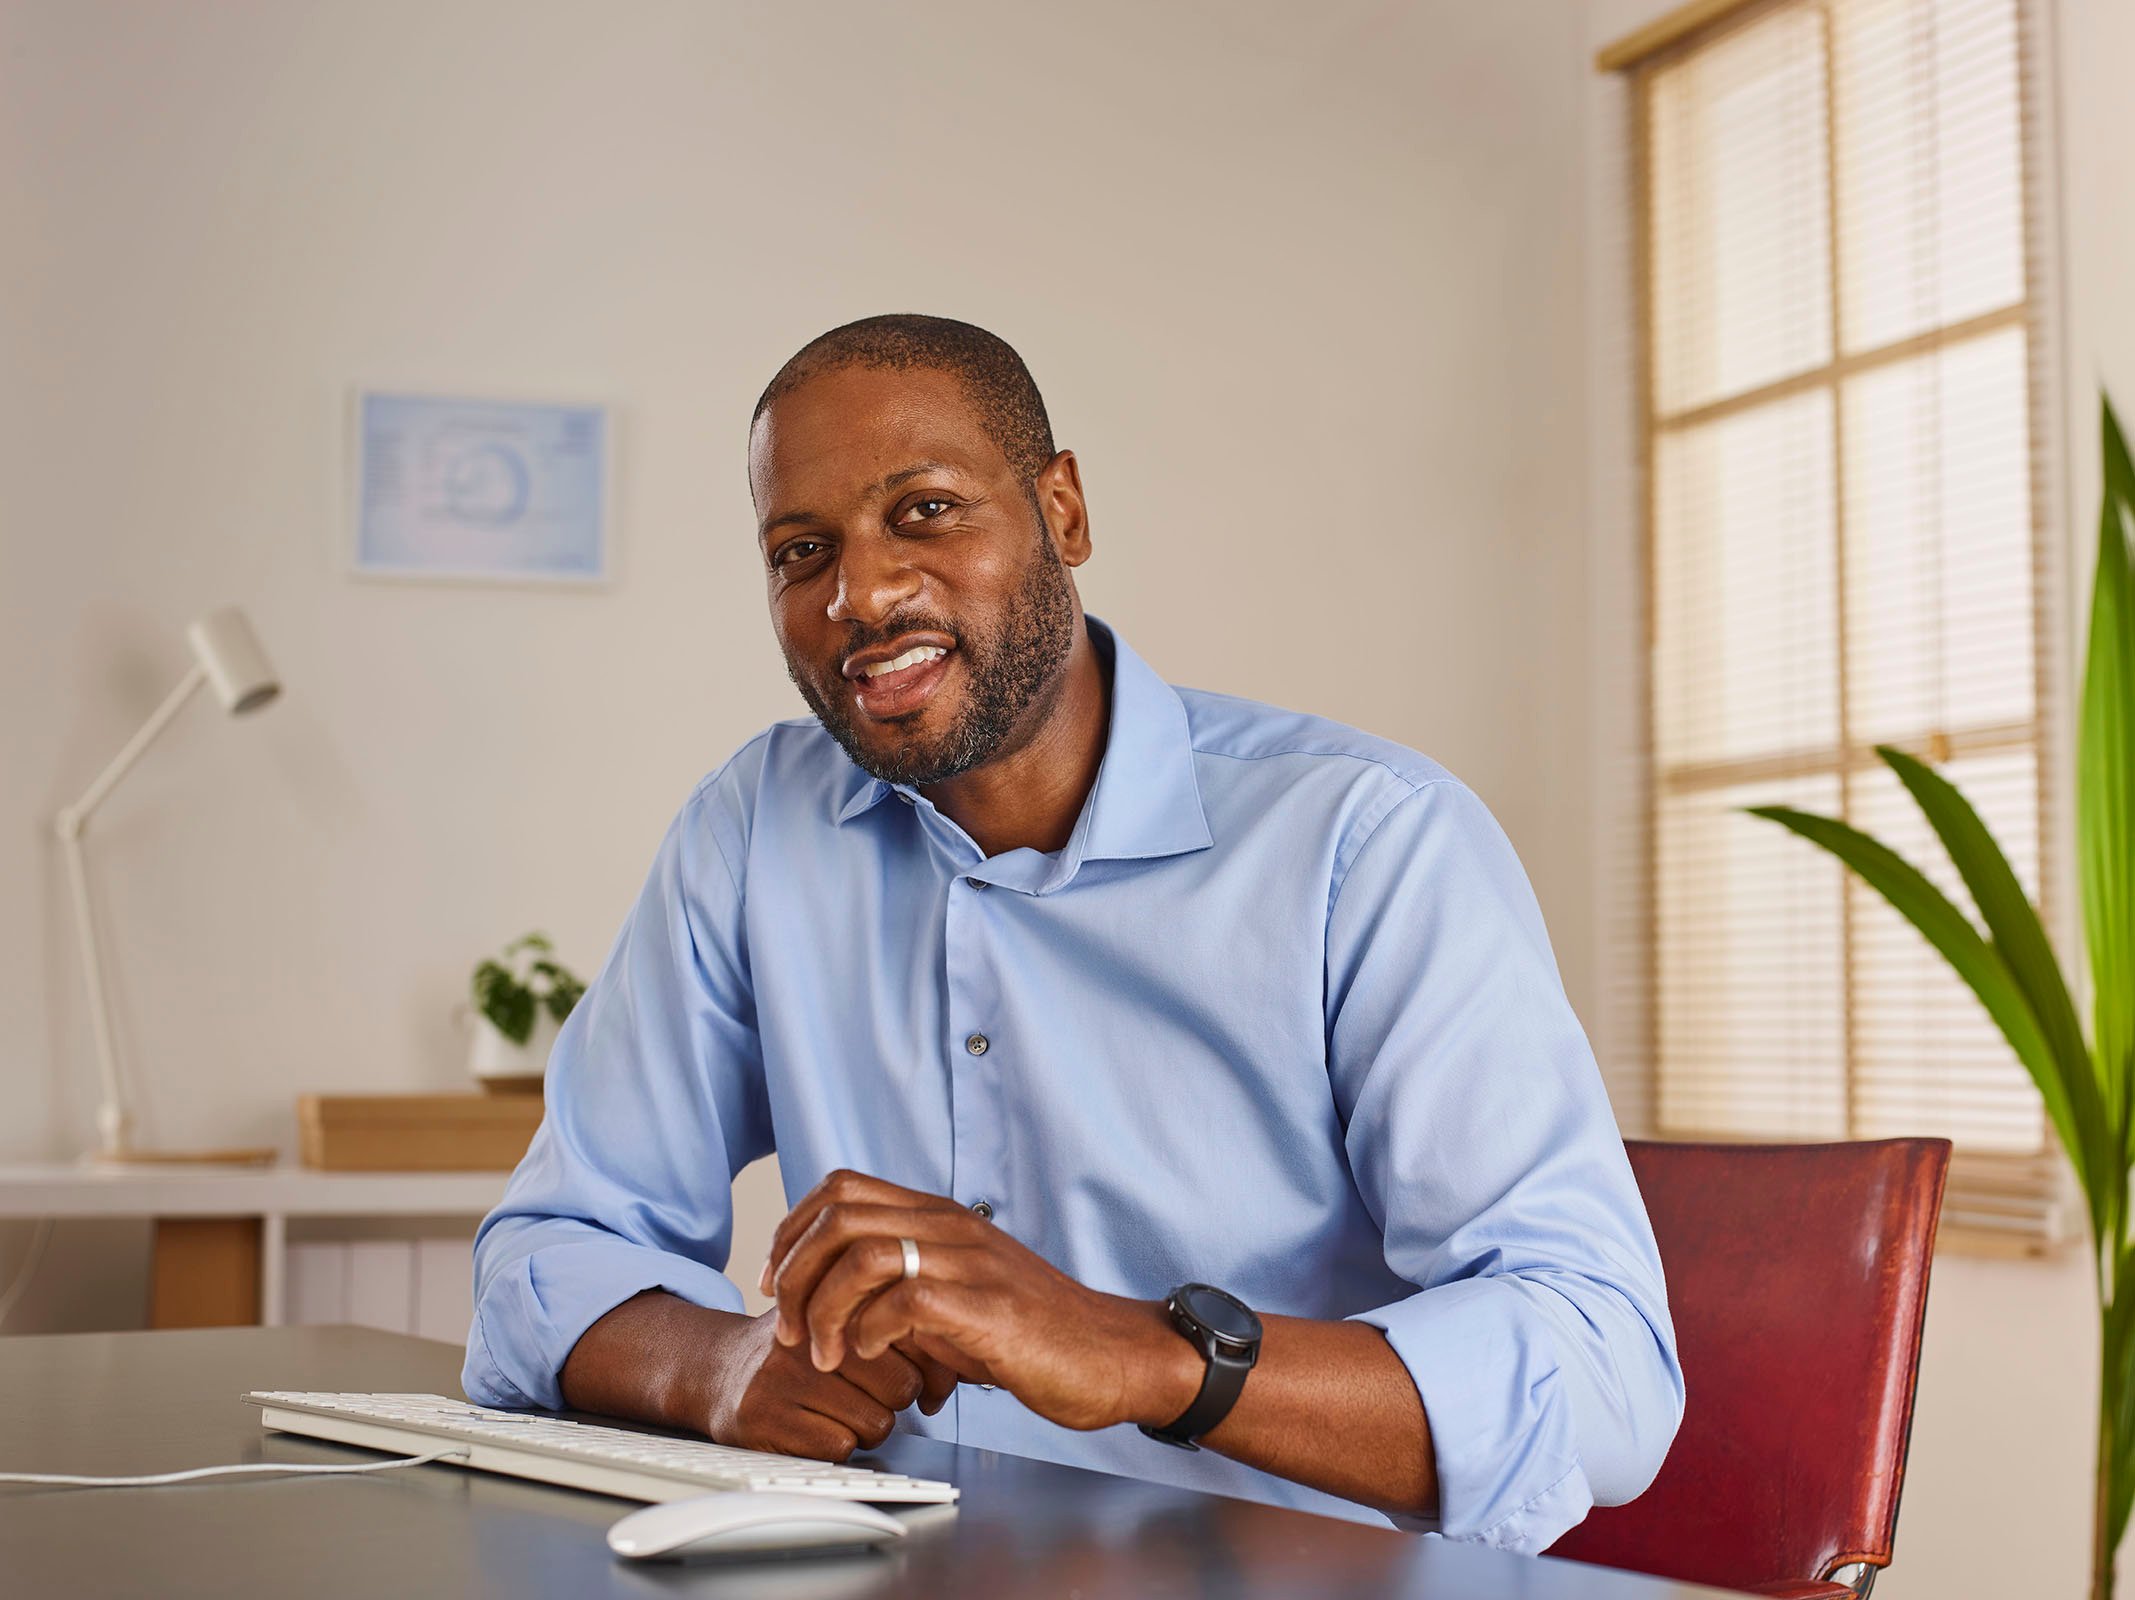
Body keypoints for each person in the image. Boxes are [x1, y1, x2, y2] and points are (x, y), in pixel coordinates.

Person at [464, 314, 1682, 1551]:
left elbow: (1604, 1373)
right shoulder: (756, 831)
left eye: (924, 511)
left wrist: (1145, 1355)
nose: (862, 593)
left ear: (1062, 511)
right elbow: (546, 1252)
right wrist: (717, 1367)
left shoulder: (1367, 844)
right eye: (800, 549)